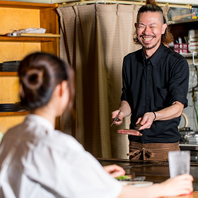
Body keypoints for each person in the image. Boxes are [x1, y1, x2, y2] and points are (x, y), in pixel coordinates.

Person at [0, 52, 193, 198]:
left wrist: (95, 174)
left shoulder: (10, 135)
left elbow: (40, 174)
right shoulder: (57, 144)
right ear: (62, 90)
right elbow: (116, 193)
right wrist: (164, 188)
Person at [112, 0, 189, 161]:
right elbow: (127, 99)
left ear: (163, 28)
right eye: (142, 26)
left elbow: (178, 107)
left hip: (164, 147)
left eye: (152, 26)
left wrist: (154, 115)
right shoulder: (129, 61)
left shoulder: (177, 63)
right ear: (135, 27)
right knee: (134, 186)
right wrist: (121, 112)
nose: (147, 32)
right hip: (134, 145)